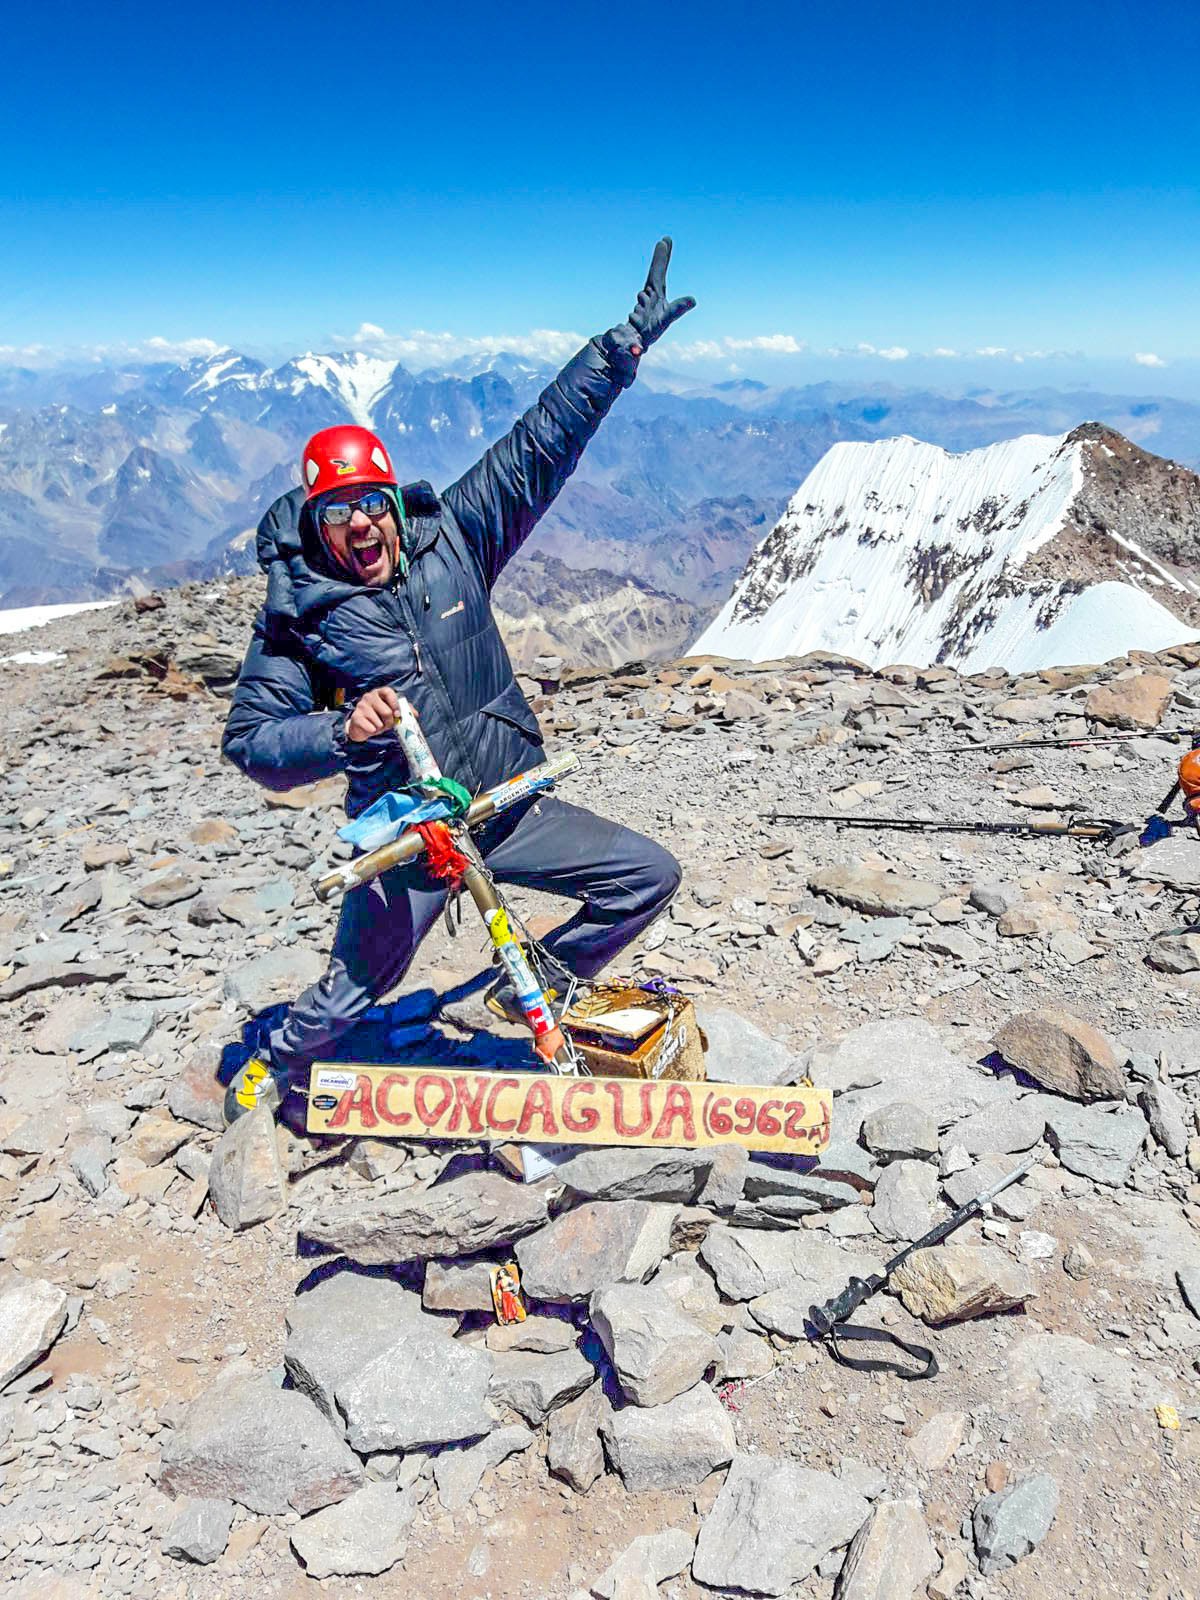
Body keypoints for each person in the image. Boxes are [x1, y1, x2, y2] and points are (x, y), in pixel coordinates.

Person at [221, 239, 695, 1124]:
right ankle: (275, 1067)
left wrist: (617, 354)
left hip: (507, 802)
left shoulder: (453, 540)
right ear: (317, 524)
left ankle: (531, 986)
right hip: (412, 835)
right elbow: (252, 741)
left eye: (373, 503)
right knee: (351, 991)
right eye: (339, 512)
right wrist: (340, 730)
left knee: (646, 876)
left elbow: (536, 448)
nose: (362, 525)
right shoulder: (299, 618)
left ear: (392, 502)